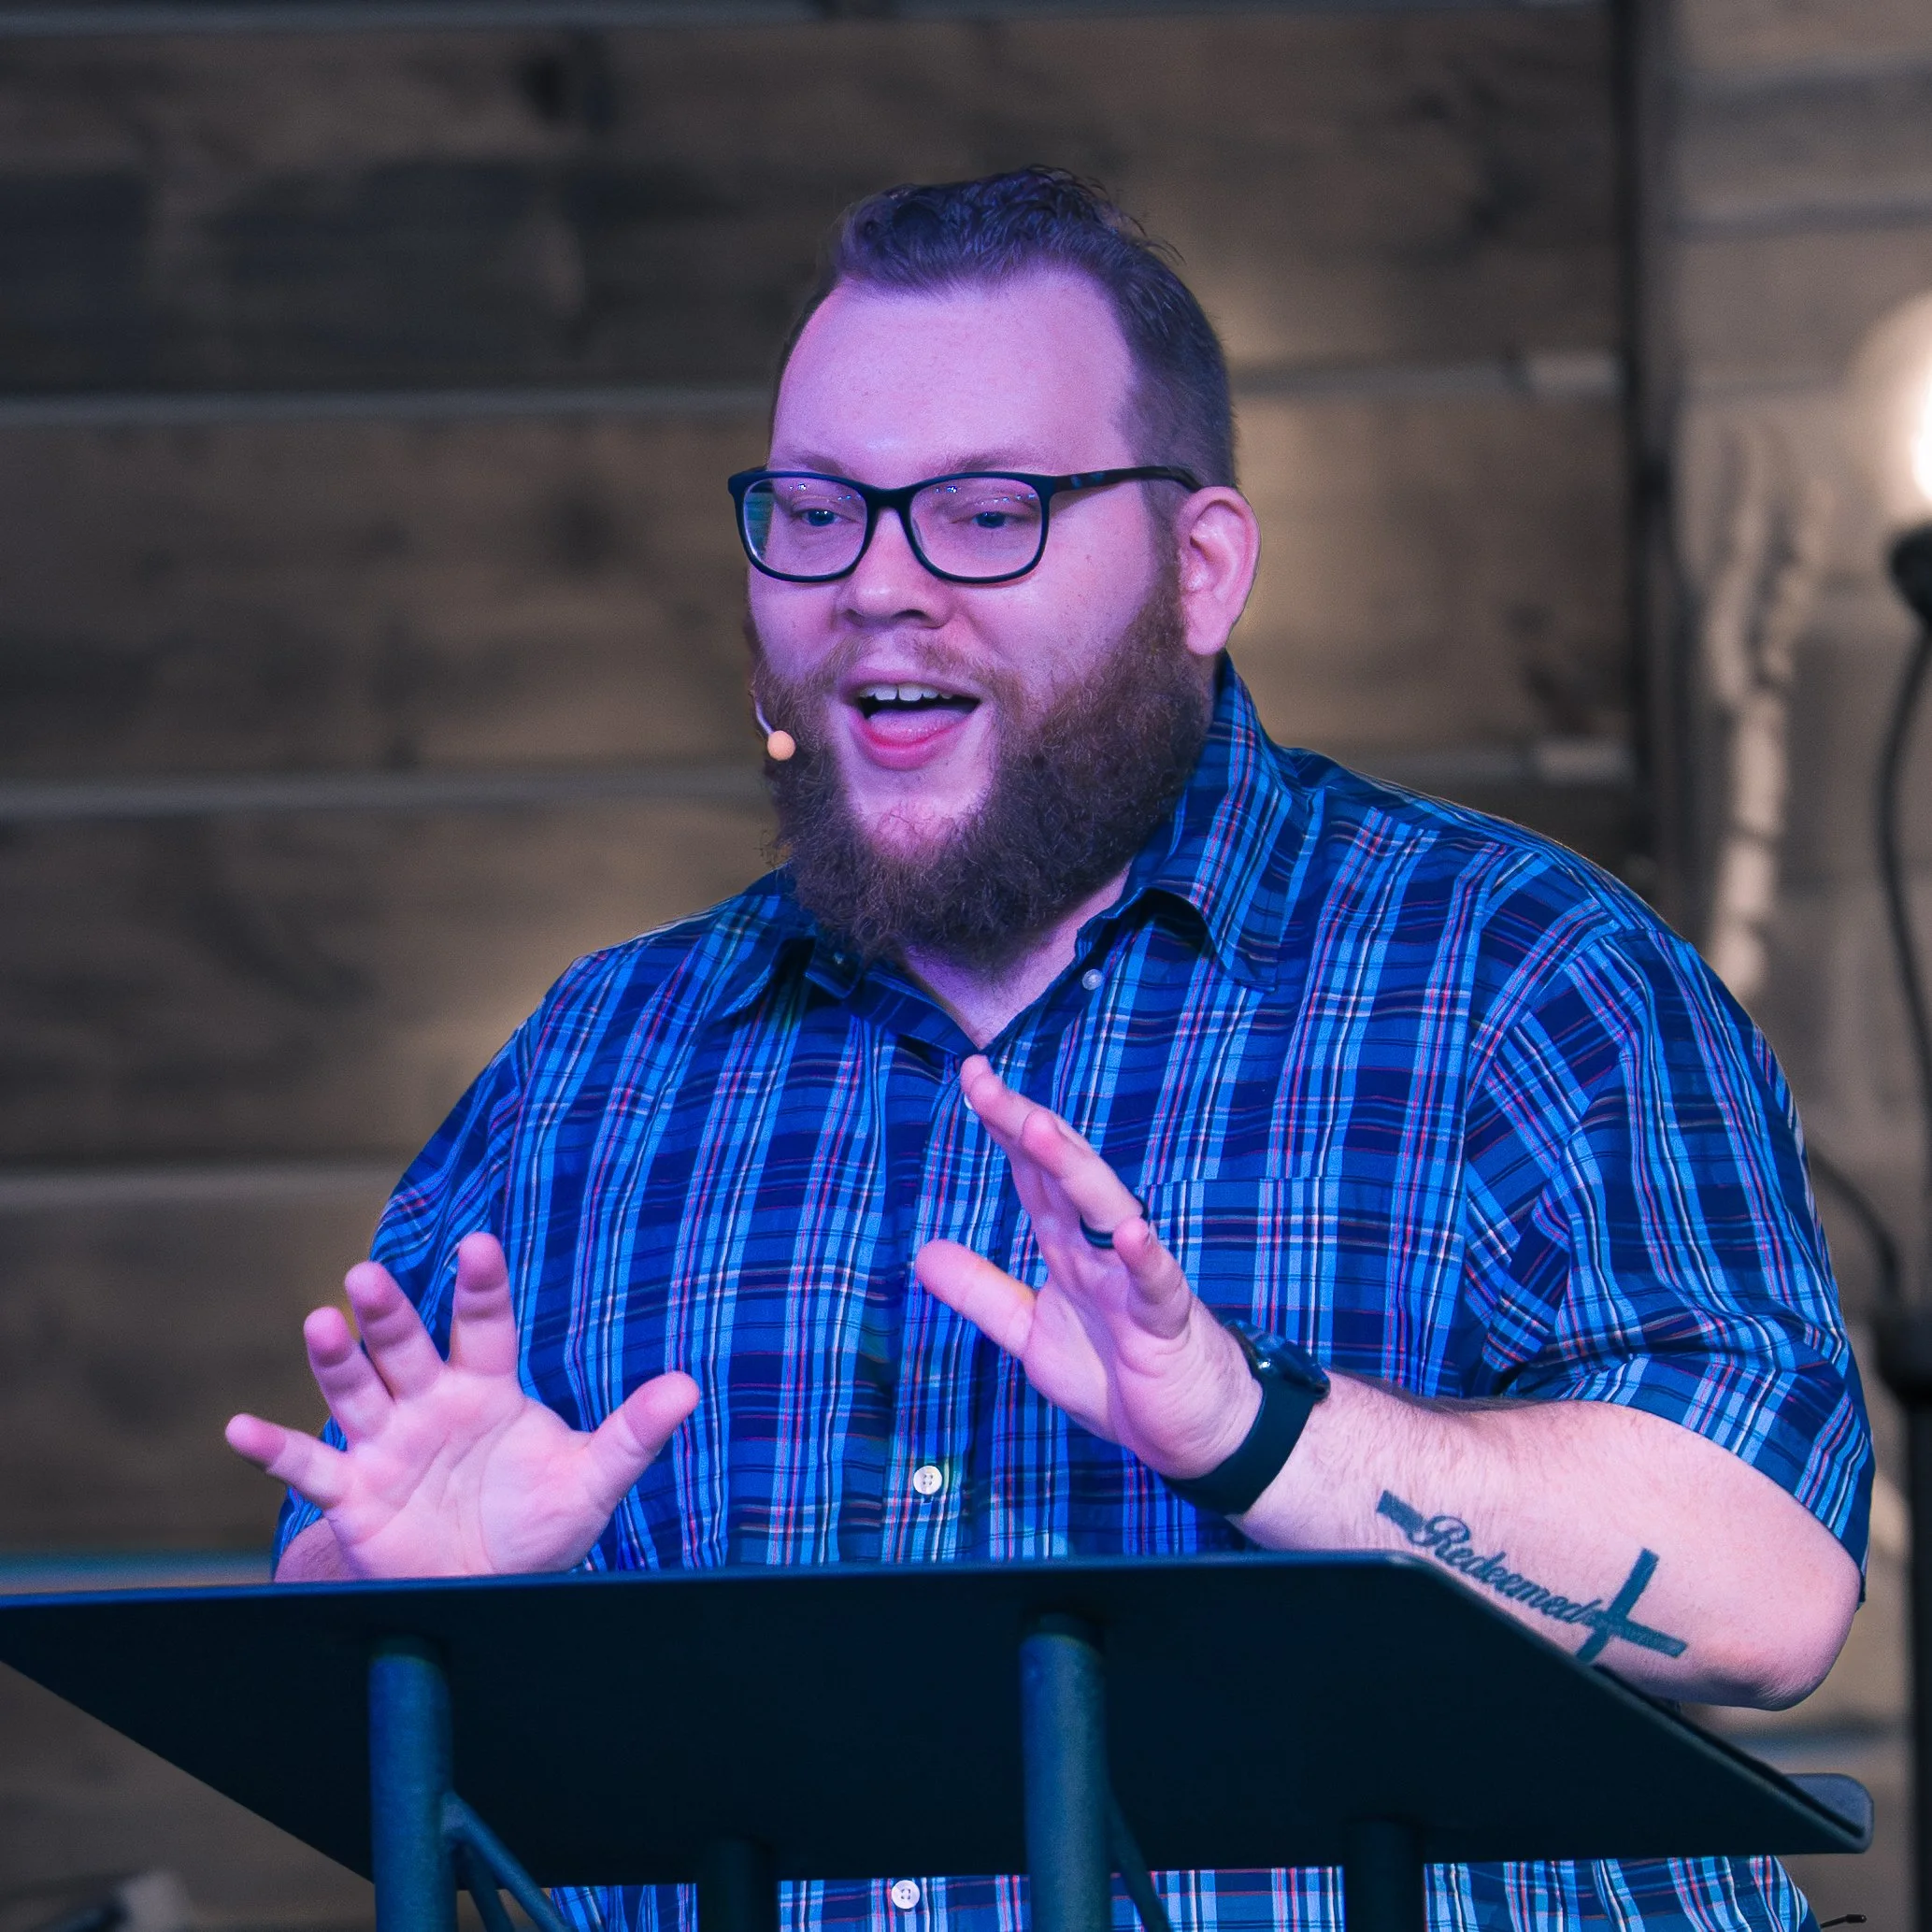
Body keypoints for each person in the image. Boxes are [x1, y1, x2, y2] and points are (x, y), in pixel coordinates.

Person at [227, 169, 1871, 1932]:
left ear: (1199, 568)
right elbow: (366, 1680)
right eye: (814, 512)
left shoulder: (1518, 974)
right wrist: (410, 1613)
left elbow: (1765, 1596)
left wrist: (1254, 1428)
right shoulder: (593, 1065)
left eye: (985, 513)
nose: (877, 587)